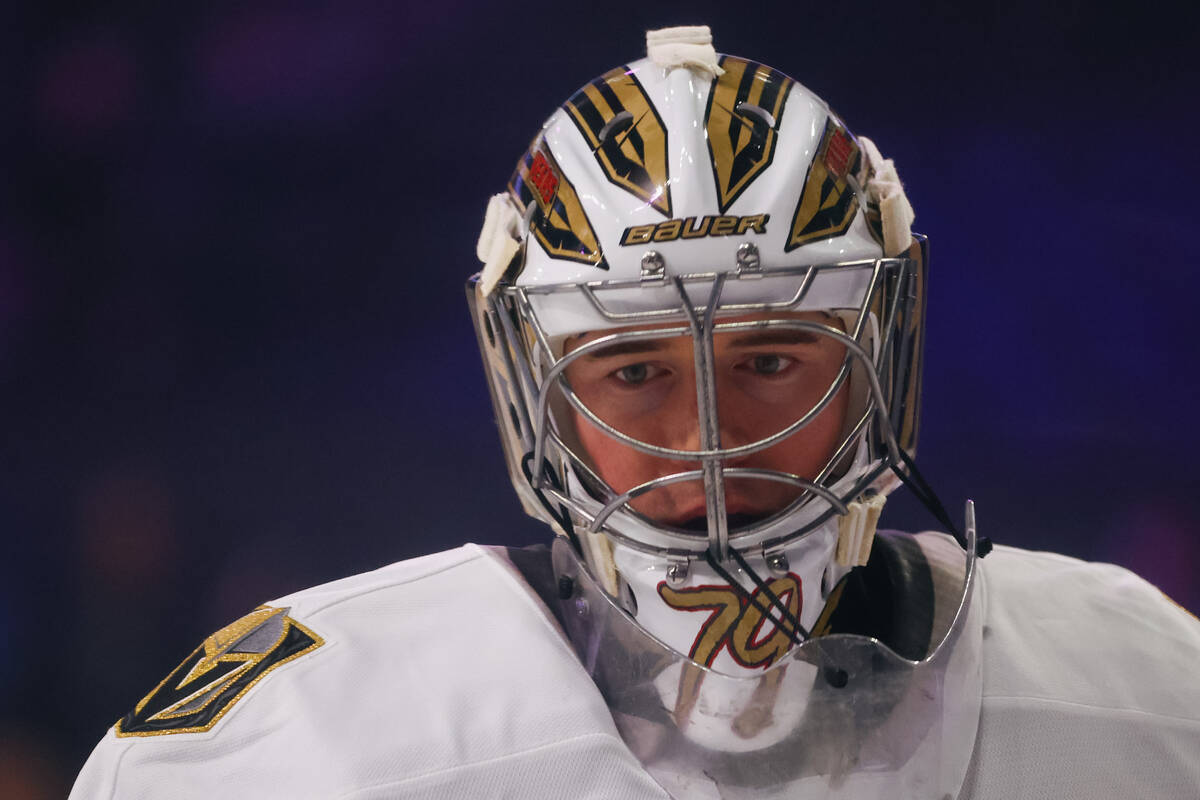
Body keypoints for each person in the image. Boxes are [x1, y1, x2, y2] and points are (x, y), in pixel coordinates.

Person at [70, 26, 1200, 799]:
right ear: (534, 387)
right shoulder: (301, 747)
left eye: (768, 356)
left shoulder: (1146, 684)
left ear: (877, 362)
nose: (707, 437)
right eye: (633, 370)